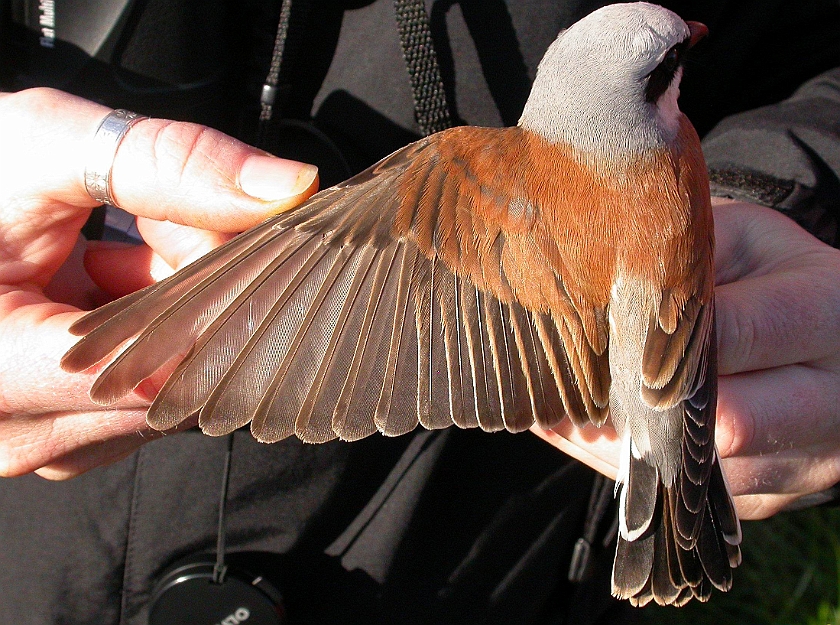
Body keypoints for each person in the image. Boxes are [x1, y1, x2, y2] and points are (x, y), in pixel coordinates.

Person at [0, 1, 838, 623]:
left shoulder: (478, 169)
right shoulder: (648, 152)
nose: (692, 40)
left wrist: (786, 205)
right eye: (671, 56)